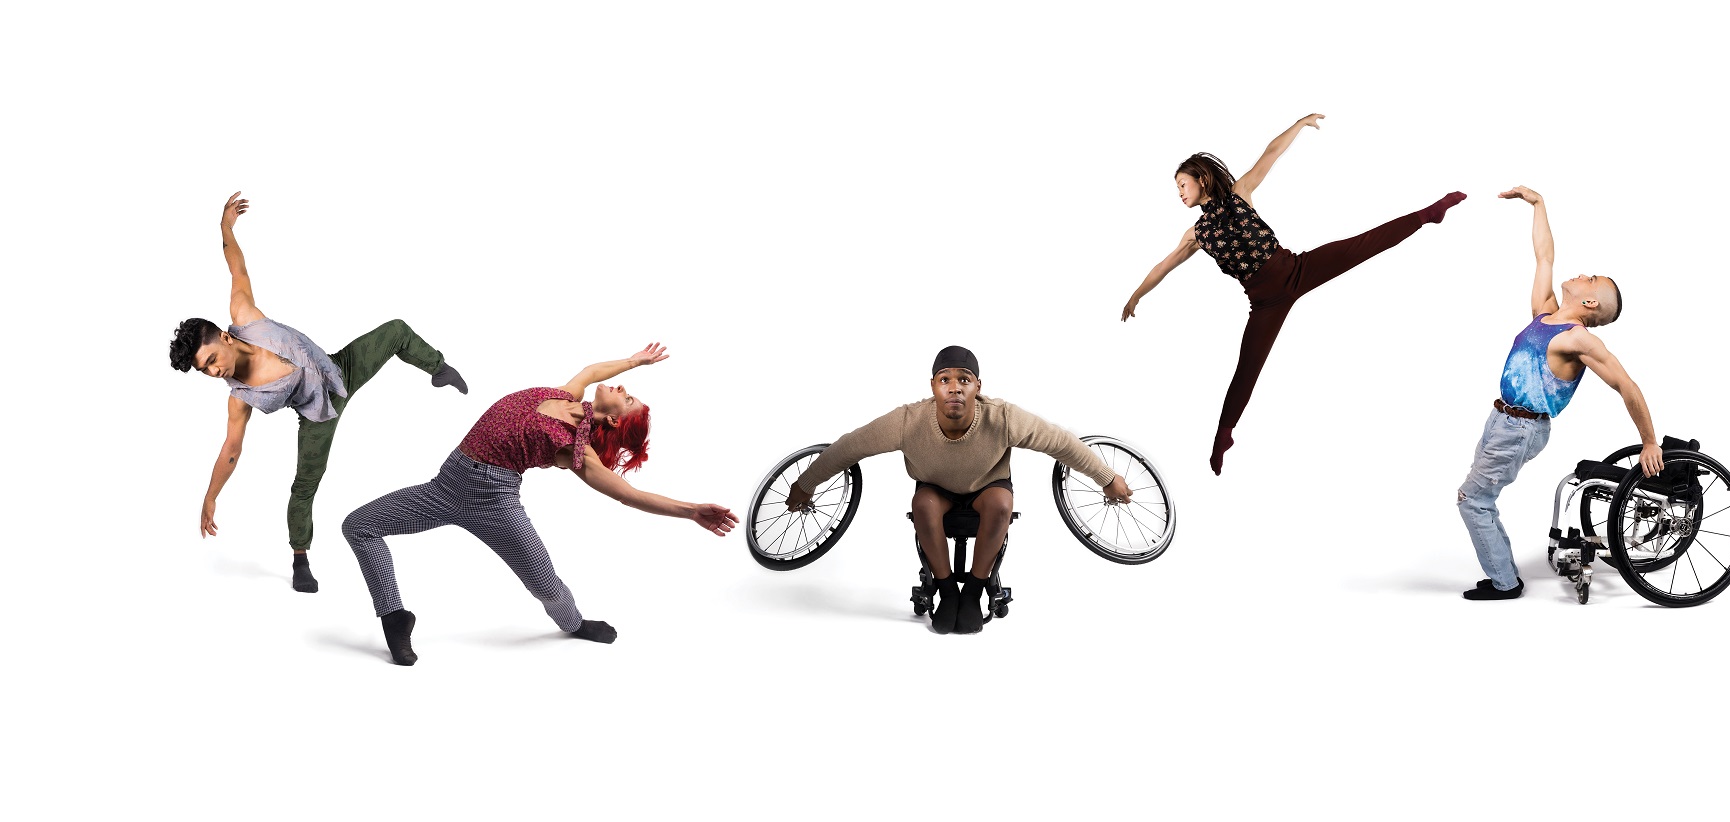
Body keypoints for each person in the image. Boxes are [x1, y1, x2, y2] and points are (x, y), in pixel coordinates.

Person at [340, 344, 739, 665]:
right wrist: (635, 361)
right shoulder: (565, 394)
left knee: (545, 585)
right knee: (358, 525)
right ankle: (394, 615)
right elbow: (594, 370)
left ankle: (574, 623)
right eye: (626, 389)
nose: (620, 389)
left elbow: (626, 494)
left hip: (493, 502)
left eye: (628, 398)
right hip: (444, 487)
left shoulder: (574, 448)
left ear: (616, 422)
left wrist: (690, 511)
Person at [1121, 113, 1467, 473]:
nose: (1179, 193)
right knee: (1247, 368)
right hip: (1265, 303)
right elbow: (1163, 266)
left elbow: (1271, 153)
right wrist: (1136, 295)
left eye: (1182, 184)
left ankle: (1429, 213)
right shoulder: (1195, 235)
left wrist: (1299, 124)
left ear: (1201, 178)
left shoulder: (1240, 194)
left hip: (1296, 269)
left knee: (1361, 246)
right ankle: (1224, 434)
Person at [168, 192, 468, 593]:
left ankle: (438, 369)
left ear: (223, 337)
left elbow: (236, 267)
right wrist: (209, 497)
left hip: (338, 368)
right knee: (303, 487)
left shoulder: (245, 315)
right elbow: (231, 450)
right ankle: (300, 559)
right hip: (317, 416)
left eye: (209, 360)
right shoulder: (239, 396)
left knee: (395, 330)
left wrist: (225, 226)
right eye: (204, 371)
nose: (213, 371)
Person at [783, 346, 1132, 635]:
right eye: (945, 380)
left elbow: (1061, 443)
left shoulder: (1003, 417)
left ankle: (975, 591)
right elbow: (849, 448)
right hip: (937, 488)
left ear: (977, 387)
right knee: (923, 504)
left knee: (1000, 504)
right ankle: (947, 589)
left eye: (963, 380)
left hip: (986, 486)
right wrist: (805, 484)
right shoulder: (907, 421)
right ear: (933, 386)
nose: (954, 388)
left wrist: (1106, 476)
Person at [1455, 186, 1663, 601]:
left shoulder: (1577, 340)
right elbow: (1544, 256)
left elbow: (1626, 385)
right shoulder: (1545, 313)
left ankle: (1505, 582)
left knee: (1473, 500)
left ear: (1589, 300)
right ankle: (1503, 574)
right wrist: (1538, 205)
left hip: (1519, 427)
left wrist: (1649, 440)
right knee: (1478, 497)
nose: (1584, 273)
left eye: (1591, 279)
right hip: (1504, 419)